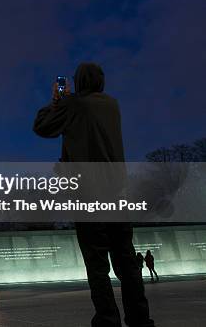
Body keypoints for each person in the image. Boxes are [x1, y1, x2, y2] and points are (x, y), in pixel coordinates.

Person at [33, 63, 154, 327]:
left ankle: (107, 320)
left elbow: (41, 127)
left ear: (78, 82)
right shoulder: (112, 104)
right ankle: (140, 318)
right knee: (126, 261)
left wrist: (56, 100)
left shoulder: (74, 103)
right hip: (117, 193)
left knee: (97, 263)